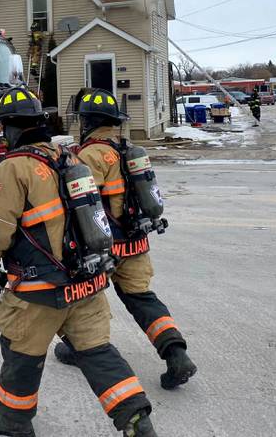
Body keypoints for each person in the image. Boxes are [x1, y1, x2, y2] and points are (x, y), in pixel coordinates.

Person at [0, 86, 157, 437]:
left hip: (40, 289)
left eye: (3, 127)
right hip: (86, 281)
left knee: (19, 346)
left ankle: (13, 418)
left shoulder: (14, 167)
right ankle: (136, 417)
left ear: (10, 127)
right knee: (97, 352)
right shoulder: (70, 158)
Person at [54, 89, 196, 391]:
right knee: (142, 299)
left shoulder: (91, 155)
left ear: (88, 121)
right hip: (136, 242)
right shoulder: (128, 148)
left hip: (103, 249)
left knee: (81, 302)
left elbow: (82, 205)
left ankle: (80, 348)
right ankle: (175, 352)